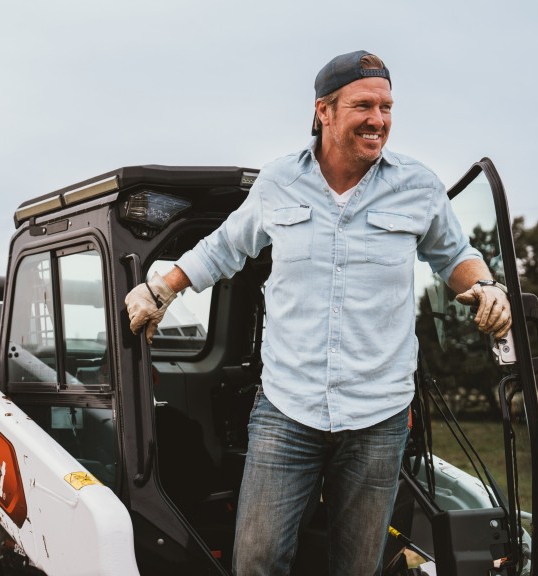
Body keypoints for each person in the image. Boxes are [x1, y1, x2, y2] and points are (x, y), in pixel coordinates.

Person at [125, 50, 511, 575]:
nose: (378, 120)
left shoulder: (418, 186)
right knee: (257, 561)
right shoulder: (281, 179)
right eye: (363, 106)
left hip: (380, 416)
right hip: (288, 409)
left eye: (387, 107)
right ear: (324, 111)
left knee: (356, 567)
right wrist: (161, 289)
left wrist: (487, 287)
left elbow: (455, 255)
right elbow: (223, 249)